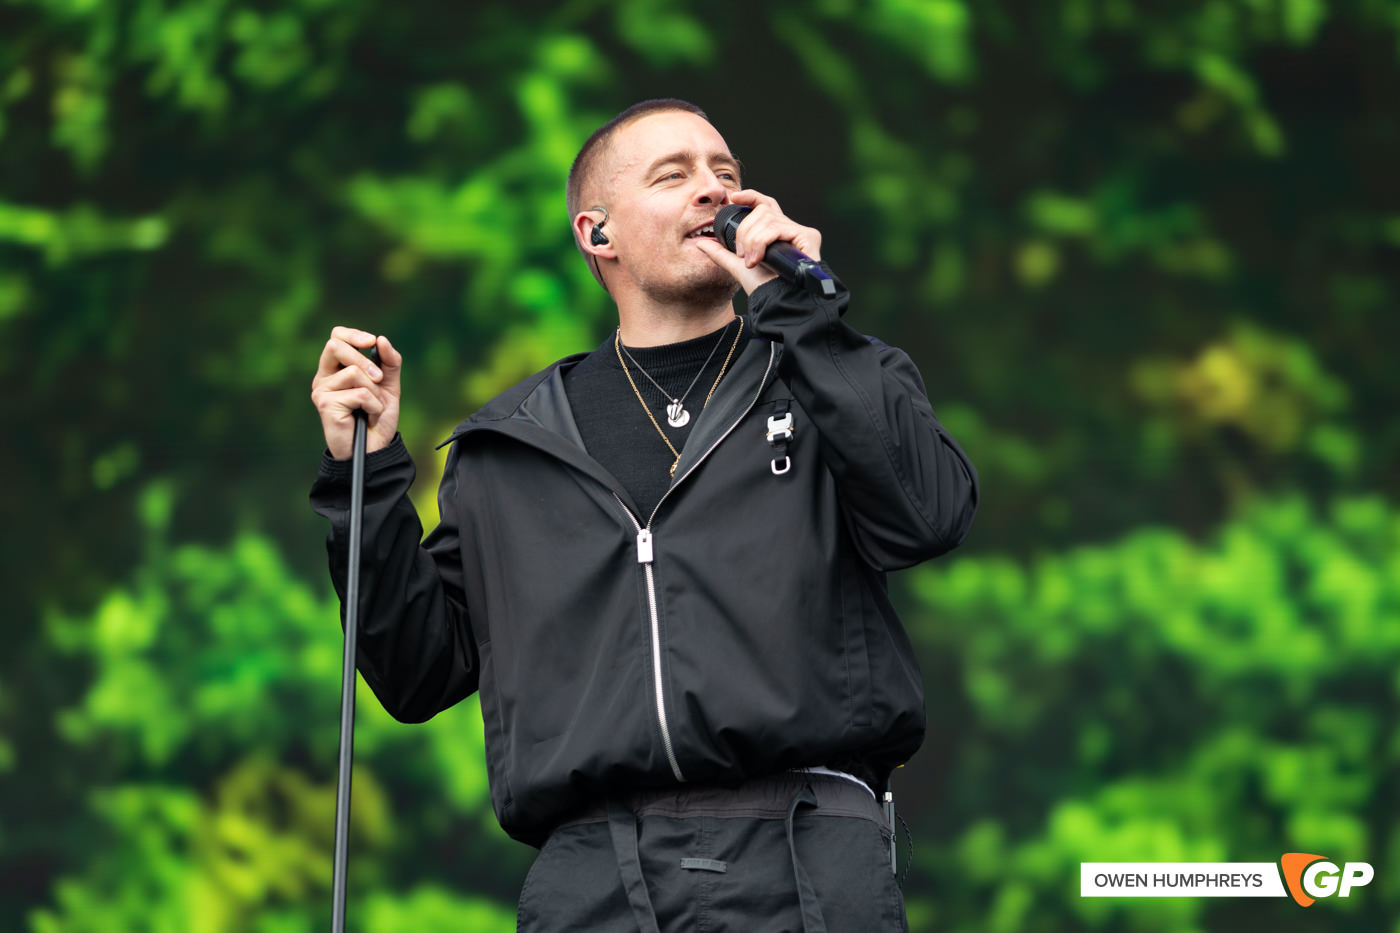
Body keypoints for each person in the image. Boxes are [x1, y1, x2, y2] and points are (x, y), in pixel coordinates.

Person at [309, 98, 978, 932]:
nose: (714, 189)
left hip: (808, 849)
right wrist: (363, 476)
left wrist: (801, 313)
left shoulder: (827, 376)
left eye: (725, 174)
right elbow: (415, 672)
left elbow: (931, 515)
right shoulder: (509, 445)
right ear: (599, 234)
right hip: (592, 874)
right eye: (675, 175)